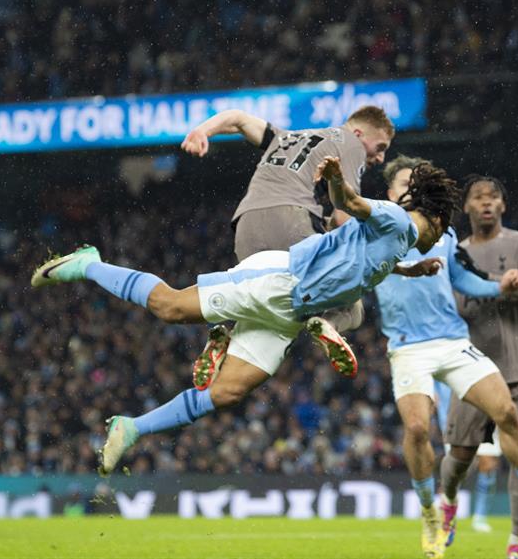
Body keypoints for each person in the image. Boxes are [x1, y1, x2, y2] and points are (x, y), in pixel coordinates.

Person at [30, 158, 456, 476]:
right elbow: (353, 204)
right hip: (278, 279)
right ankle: (89, 263)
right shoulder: (397, 218)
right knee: (170, 307)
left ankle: (133, 427)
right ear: (437, 220)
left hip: (292, 312)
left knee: (228, 392)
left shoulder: (398, 243)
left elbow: (370, 255)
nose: (441, 240)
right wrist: (336, 179)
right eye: (445, 230)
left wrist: (410, 268)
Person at [372, 158, 518, 559]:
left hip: (452, 340)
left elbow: (461, 279)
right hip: (407, 346)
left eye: (416, 184)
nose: (411, 189)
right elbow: (366, 265)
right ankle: (431, 514)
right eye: (404, 183)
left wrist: (497, 287)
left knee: (506, 410)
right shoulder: (376, 228)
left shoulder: (442, 230)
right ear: (389, 192)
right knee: (418, 429)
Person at [180, 106, 395, 386]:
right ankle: (329, 323)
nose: (380, 158)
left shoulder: (285, 136)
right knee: (352, 300)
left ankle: (227, 337)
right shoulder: (350, 143)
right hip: (292, 220)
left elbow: (238, 118)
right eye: (380, 147)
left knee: (263, 300)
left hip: (246, 225)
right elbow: (344, 219)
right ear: (358, 133)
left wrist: (202, 130)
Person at [438, 176, 518, 559]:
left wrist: (505, 284)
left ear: (503, 205)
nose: (486, 203)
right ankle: (449, 504)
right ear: (468, 207)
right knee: (459, 456)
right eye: (478, 198)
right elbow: (449, 307)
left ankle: (517, 544)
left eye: (493, 197)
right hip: (471, 369)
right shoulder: (455, 254)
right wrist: (494, 284)